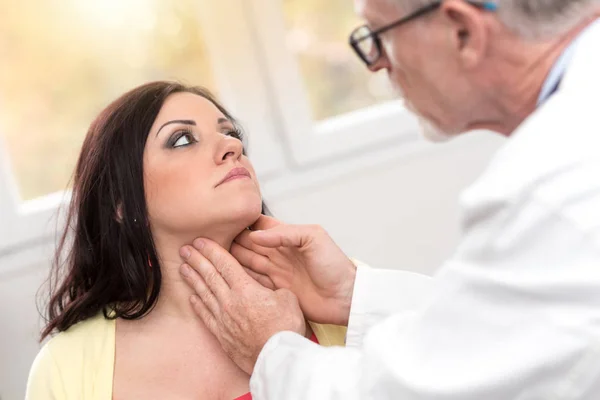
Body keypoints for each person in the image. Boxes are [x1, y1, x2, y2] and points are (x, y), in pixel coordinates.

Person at [177, 0, 600, 399]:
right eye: (181, 139)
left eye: (378, 36)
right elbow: (511, 327)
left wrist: (270, 351)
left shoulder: (555, 191)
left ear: (463, 32)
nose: (377, 64)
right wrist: (353, 293)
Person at [25, 81, 345, 400]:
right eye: (182, 140)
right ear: (120, 203)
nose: (231, 147)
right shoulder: (63, 369)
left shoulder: (337, 292)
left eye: (231, 134)